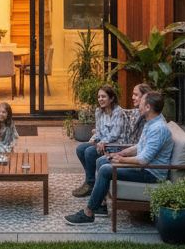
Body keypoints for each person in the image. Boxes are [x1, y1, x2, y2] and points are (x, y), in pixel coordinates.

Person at [64, 90, 172, 225]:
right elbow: (139, 146)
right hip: (145, 168)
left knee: (105, 170)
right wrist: (121, 154)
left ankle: (88, 213)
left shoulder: (158, 128)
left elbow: (143, 160)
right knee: (102, 160)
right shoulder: (150, 123)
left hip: (151, 173)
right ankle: (101, 206)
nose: (138, 106)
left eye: (141, 103)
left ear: (148, 107)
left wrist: (120, 160)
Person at [73, 84, 124, 197]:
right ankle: (90, 180)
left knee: (90, 152)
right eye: (99, 97)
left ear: (111, 98)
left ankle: (91, 184)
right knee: (81, 148)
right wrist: (94, 139)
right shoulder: (99, 111)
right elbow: (99, 131)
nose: (100, 99)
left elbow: (115, 133)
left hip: (114, 145)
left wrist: (103, 142)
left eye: (104, 96)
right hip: (101, 143)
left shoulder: (118, 112)